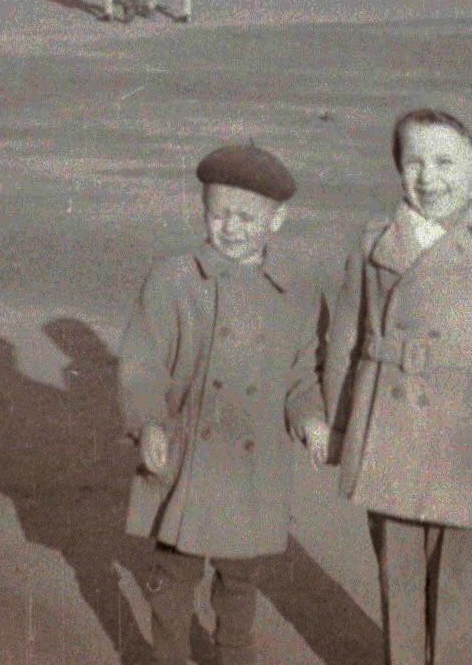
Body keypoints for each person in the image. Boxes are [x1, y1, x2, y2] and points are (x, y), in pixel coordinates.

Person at [310, 99, 472, 665]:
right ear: (398, 168)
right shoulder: (374, 242)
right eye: (415, 162)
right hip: (390, 433)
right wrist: (336, 420)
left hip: (465, 436)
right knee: (397, 578)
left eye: (446, 163)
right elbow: (346, 336)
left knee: (457, 586)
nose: (430, 178)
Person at [117, 142, 328, 665]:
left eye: (246, 217)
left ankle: (233, 655)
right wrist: (148, 425)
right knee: (171, 578)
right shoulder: (174, 281)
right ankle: (166, 656)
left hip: (251, 471)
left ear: (277, 220)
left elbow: (304, 373)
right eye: (217, 214)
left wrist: (311, 418)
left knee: (240, 582)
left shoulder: (295, 294)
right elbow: (142, 364)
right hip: (185, 458)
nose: (230, 227)